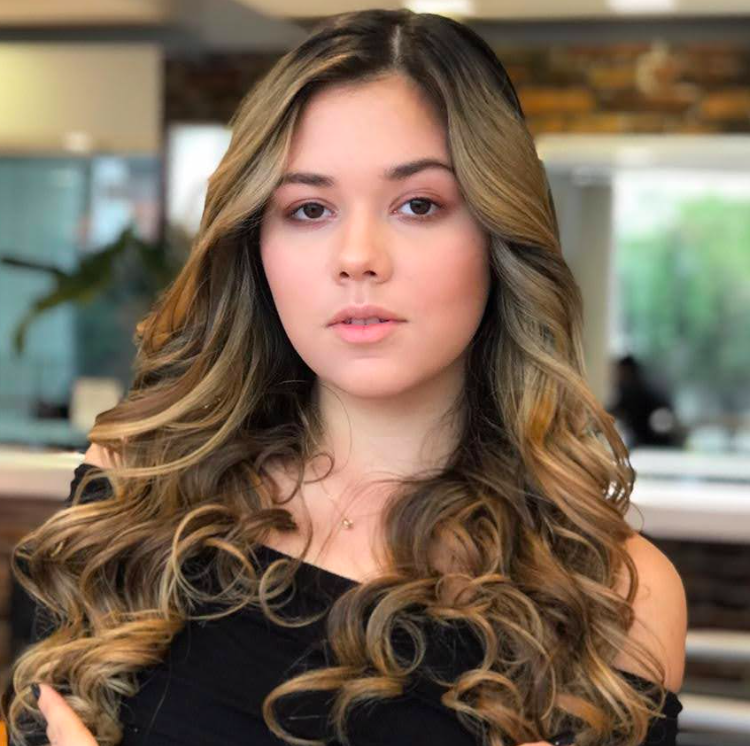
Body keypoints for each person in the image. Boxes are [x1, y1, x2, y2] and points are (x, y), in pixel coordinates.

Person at [1, 8, 686, 746]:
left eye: (418, 205)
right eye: (309, 209)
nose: (358, 257)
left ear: (498, 232)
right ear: (256, 244)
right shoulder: (135, 489)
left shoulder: (613, 594)